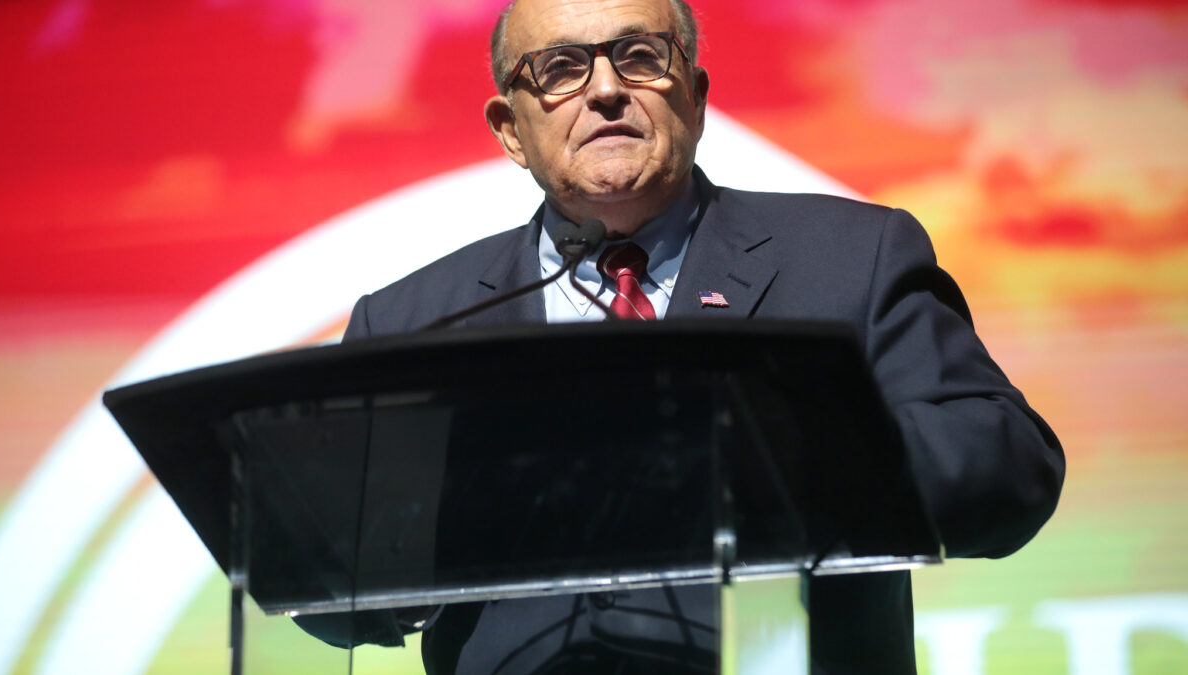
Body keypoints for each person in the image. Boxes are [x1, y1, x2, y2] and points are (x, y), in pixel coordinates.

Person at [336, 0, 1066, 672]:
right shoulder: (411, 321)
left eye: (642, 57)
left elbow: (1008, 468)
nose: (605, 90)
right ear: (509, 130)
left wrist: (782, 457)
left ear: (697, 96)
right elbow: (323, 558)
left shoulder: (852, 257)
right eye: (559, 69)